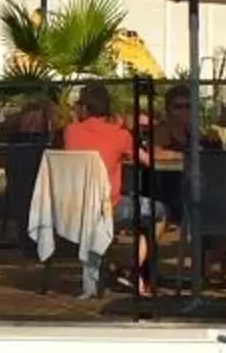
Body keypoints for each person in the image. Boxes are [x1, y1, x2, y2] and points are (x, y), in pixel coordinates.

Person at [59, 83, 155, 300]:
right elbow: (147, 161)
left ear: (84, 108)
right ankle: (134, 270)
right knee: (158, 212)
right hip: (107, 208)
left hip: (75, 208)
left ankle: (112, 266)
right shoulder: (120, 135)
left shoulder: (70, 132)